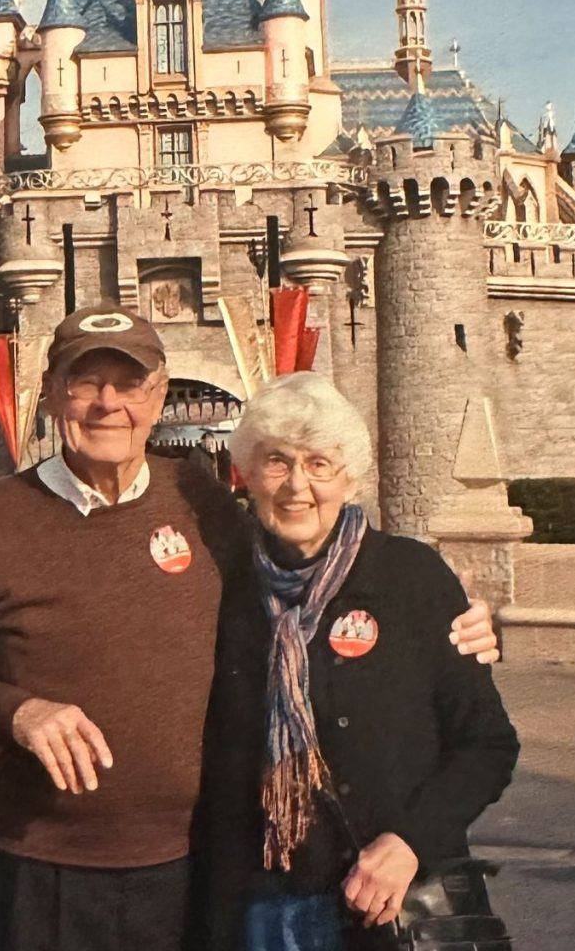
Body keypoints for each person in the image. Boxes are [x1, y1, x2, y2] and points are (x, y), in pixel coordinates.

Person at [0, 305, 499, 951]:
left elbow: (317, 582)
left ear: (157, 397)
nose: (108, 405)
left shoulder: (199, 502)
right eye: (84, 382)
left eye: (129, 385)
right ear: (49, 394)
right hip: (40, 870)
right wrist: (17, 713)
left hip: (189, 872)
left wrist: (458, 625)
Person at [202, 373, 519, 950]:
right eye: (277, 462)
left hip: (390, 907)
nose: (298, 485)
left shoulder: (411, 578)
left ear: (349, 477)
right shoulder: (223, 587)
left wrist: (409, 842)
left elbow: (487, 744)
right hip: (261, 909)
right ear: (246, 475)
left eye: (318, 464)